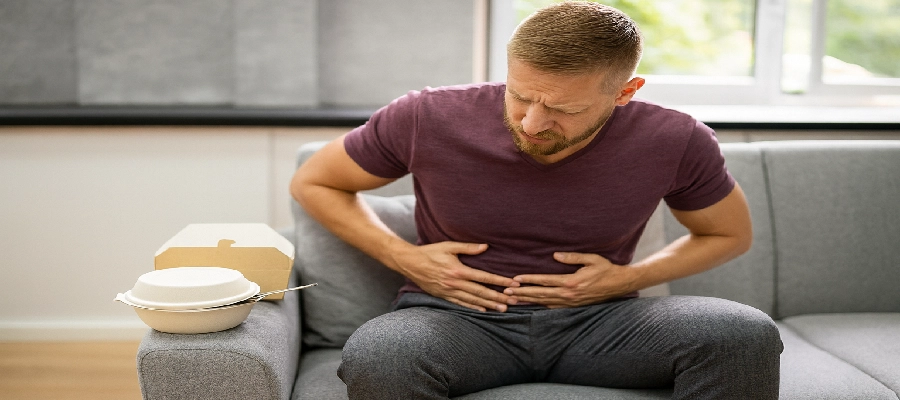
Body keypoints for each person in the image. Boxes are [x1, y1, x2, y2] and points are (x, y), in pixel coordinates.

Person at [290, 2, 783, 399]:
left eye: (565, 109)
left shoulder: (676, 139)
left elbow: (728, 233)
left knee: (742, 334)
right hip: (453, 319)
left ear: (625, 92)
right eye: (521, 96)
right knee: (380, 354)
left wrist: (630, 278)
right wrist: (404, 257)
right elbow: (315, 181)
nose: (532, 123)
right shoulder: (426, 115)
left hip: (602, 323)